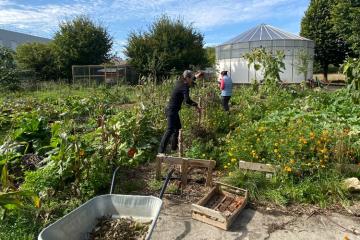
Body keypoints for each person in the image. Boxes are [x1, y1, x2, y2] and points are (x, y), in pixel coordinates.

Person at [158, 70, 202, 154]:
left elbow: (191, 82)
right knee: (170, 130)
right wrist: (196, 105)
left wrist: (195, 77)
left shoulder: (180, 82)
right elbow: (187, 100)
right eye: (191, 78)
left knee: (177, 128)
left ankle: (174, 148)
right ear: (187, 78)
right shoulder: (184, 86)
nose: (192, 80)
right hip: (171, 110)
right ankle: (161, 151)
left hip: (173, 110)